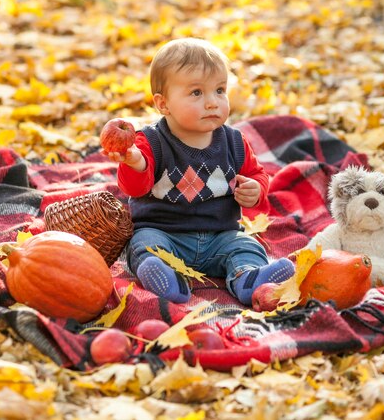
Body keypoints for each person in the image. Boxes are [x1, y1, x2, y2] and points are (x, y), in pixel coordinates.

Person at [106, 38, 294, 305]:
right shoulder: (150, 142)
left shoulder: (234, 142)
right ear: (163, 104)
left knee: (246, 246)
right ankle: (169, 279)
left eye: (219, 90)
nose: (212, 102)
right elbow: (134, 188)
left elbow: (258, 174)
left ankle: (247, 278)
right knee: (143, 244)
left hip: (220, 236)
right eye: (197, 93)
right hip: (165, 233)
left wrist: (256, 189)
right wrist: (134, 163)